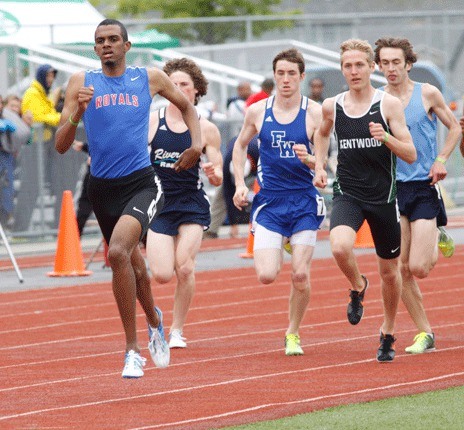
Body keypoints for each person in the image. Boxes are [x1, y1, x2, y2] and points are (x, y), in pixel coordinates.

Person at [55, 19, 202, 378]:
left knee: (118, 252)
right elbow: (60, 145)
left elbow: (187, 106)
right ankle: (154, 319)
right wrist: (77, 113)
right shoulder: (80, 82)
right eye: (100, 41)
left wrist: (196, 144)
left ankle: (132, 350)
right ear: (94, 49)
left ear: (126, 44)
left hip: (141, 183)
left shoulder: (148, 77)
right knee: (133, 265)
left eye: (113, 39)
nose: (107, 45)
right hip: (101, 188)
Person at [314, 39, 416, 362]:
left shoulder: (388, 105)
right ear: (341, 69)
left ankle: (387, 331)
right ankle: (358, 286)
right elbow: (321, 132)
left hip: (384, 198)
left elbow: (410, 154)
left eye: (360, 65)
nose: (354, 71)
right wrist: (318, 164)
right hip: (349, 192)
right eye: (348, 66)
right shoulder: (333, 105)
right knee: (340, 246)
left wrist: (385, 137)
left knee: (390, 272)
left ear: (372, 67)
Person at [233, 48, 326, 356]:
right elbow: (239, 146)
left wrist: (313, 161)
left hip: (303, 202)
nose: (285, 79)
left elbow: (328, 163)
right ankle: (286, 242)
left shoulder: (315, 113)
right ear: (274, 77)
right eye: (280, 73)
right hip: (269, 203)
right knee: (266, 275)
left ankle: (293, 333)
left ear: (302, 77)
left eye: (291, 74)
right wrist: (238, 184)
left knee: (300, 274)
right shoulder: (258, 111)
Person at [374, 37, 462, 354]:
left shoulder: (426, 92)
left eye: (396, 62)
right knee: (401, 269)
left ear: (408, 63)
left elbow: (455, 128)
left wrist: (440, 161)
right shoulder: (378, 101)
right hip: (393, 190)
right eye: (385, 63)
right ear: (379, 66)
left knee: (419, 268)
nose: (391, 68)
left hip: (423, 185)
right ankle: (425, 332)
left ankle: (435, 234)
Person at [146, 57, 223, 349]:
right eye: (172, 84)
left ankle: (177, 330)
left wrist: (214, 173)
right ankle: (162, 318)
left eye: (184, 85)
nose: (177, 89)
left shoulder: (207, 128)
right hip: (160, 203)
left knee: (186, 267)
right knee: (163, 275)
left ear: (195, 91)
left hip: (191, 202)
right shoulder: (153, 122)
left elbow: (216, 175)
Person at [0, 95, 33, 227]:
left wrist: (27, 126)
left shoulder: (14, 122)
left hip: (8, 159)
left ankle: (6, 218)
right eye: (11, 106)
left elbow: (27, 140)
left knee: (7, 189)